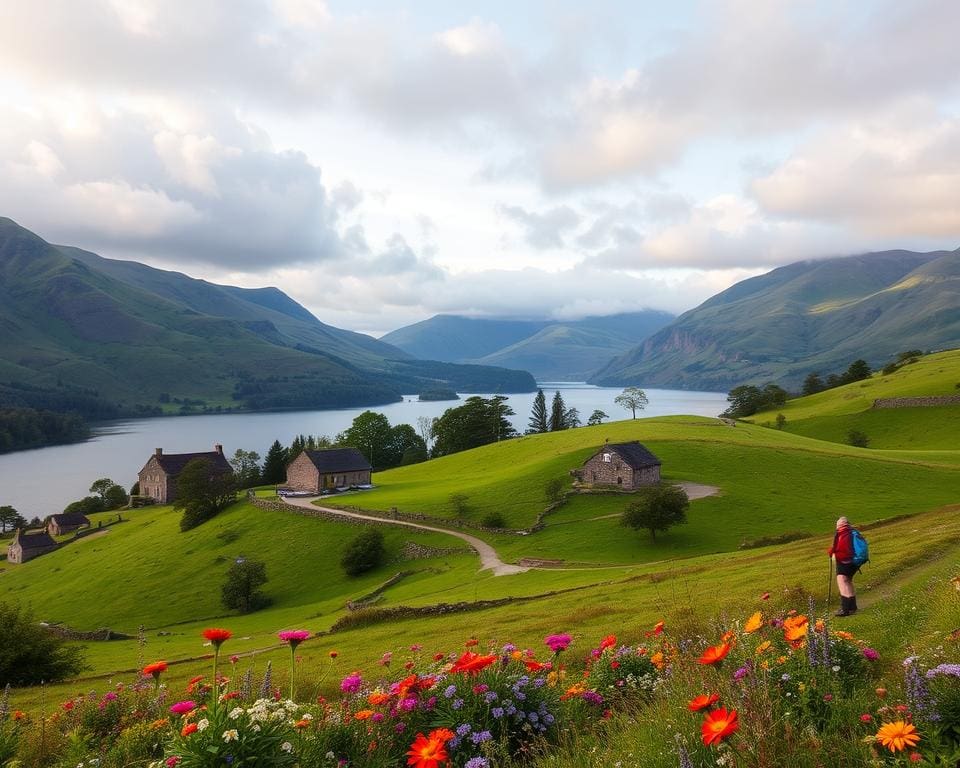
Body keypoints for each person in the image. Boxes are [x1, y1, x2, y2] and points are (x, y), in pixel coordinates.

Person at [828, 516, 858, 616]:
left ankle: (845, 609)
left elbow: (843, 550)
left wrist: (832, 551)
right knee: (848, 581)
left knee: (842, 582)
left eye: (838, 524)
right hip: (854, 562)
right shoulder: (852, 532)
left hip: (845, 562)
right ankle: (853, 607)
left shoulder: (842, 533)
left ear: (840, 524)